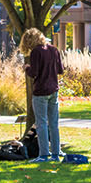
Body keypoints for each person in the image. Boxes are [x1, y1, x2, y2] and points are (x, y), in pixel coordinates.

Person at [19, 28, 64, 162]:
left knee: (41, 123)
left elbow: (34, 73)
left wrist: (27, 68)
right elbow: (60, 70)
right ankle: (56, 152)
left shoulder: (36, 52)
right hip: (53, 90)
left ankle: (44, 154)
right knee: (53, 123)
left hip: (40, 91)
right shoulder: (54, 49)